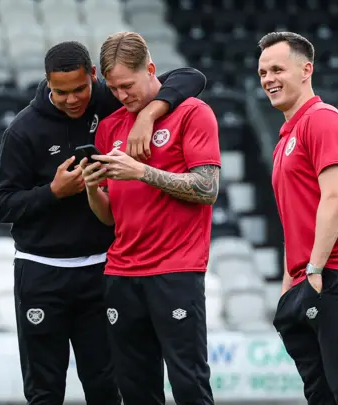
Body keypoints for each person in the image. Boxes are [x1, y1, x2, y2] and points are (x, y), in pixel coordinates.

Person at [0, 41, 206, 405]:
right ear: (46, 83)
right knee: (44, 389)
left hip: (101, 270)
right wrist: (53, 192)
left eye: (79, 89)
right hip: (42, 270)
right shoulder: (23, 131)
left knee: (107, 386)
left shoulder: (111, 98)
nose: (72, 100)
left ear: (93, 76)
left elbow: (190, 77)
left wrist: (150, 112)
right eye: (61, 92)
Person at [80, 32, 220, 405]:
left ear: (152, 69)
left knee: (188, 382)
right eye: (114, 88)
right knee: (135, 388)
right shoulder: (110, 126)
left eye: (127, 85)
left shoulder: (193, 112)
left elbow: (208, 188)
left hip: (175, 271)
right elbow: (110, 218)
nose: (122, 95)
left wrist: (142, 172)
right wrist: (94, 189)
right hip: (121, 273)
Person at [257, 31, 338, 405]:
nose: (269, 79)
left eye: (278, 69)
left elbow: (336, 198)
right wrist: (289, 282)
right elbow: (293, 220)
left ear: (306, 70)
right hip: (312, 278)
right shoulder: (285, 137)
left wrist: (313, 268)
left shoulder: (323, 120)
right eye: (263, 72)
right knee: (322, 394)